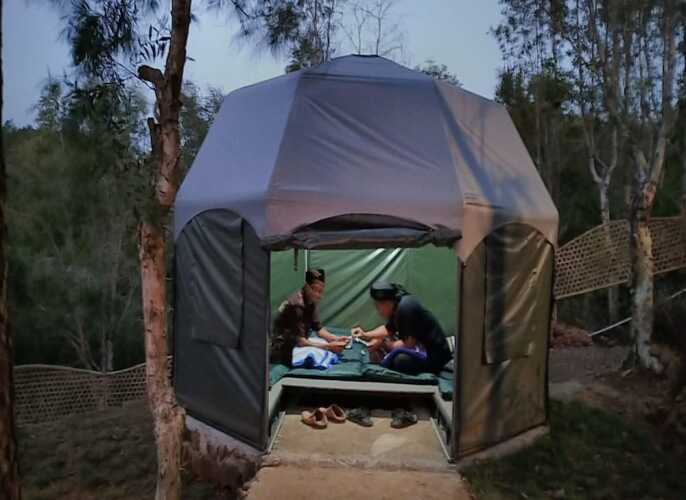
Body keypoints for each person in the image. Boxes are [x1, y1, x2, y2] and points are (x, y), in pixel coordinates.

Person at [352, 282, 452, 375]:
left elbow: (409, 345)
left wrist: (382, 343)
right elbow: (388, 329)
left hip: (434, 357)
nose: (378, 310)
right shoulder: (397, 304)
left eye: (378, 306)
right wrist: (365, 335)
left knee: (401, 360)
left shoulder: (406, 308)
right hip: (420, 348)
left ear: (385, 303)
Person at [270, 268, 349, 366]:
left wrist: (336, 339)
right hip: (283, 349)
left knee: (323, 344)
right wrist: (329, 346)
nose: (318, 295)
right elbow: (301, 342)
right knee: (317, 354)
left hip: (298, 343)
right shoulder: (296, 305)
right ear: (306, 286)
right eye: (314, 289)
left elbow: (318, 329)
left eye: (320, 291)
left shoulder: (311, 301)